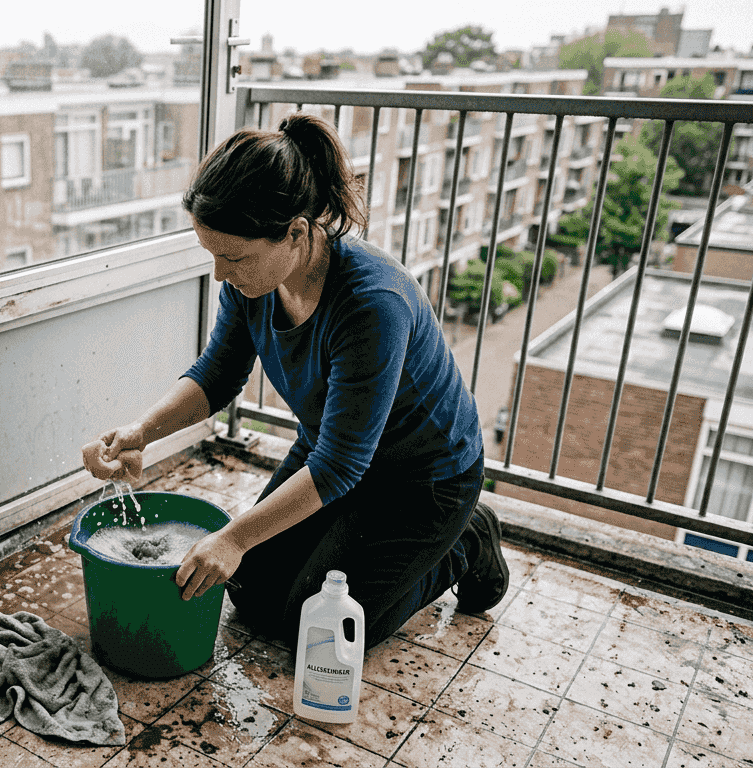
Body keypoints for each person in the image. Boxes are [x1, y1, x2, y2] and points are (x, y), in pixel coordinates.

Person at [80, 112, 509, 650]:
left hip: (422, 478)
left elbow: (341, 465)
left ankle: (467, 540)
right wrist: (141, 430)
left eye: (232, 257)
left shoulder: (374, 303)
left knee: (327, 628)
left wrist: (234, 536)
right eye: (213, 255)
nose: (220, 274)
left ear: (297, 233)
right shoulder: (251, 283)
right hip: (333, 455)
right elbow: (216, 376)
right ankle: (360, 542)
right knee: (249, 590)